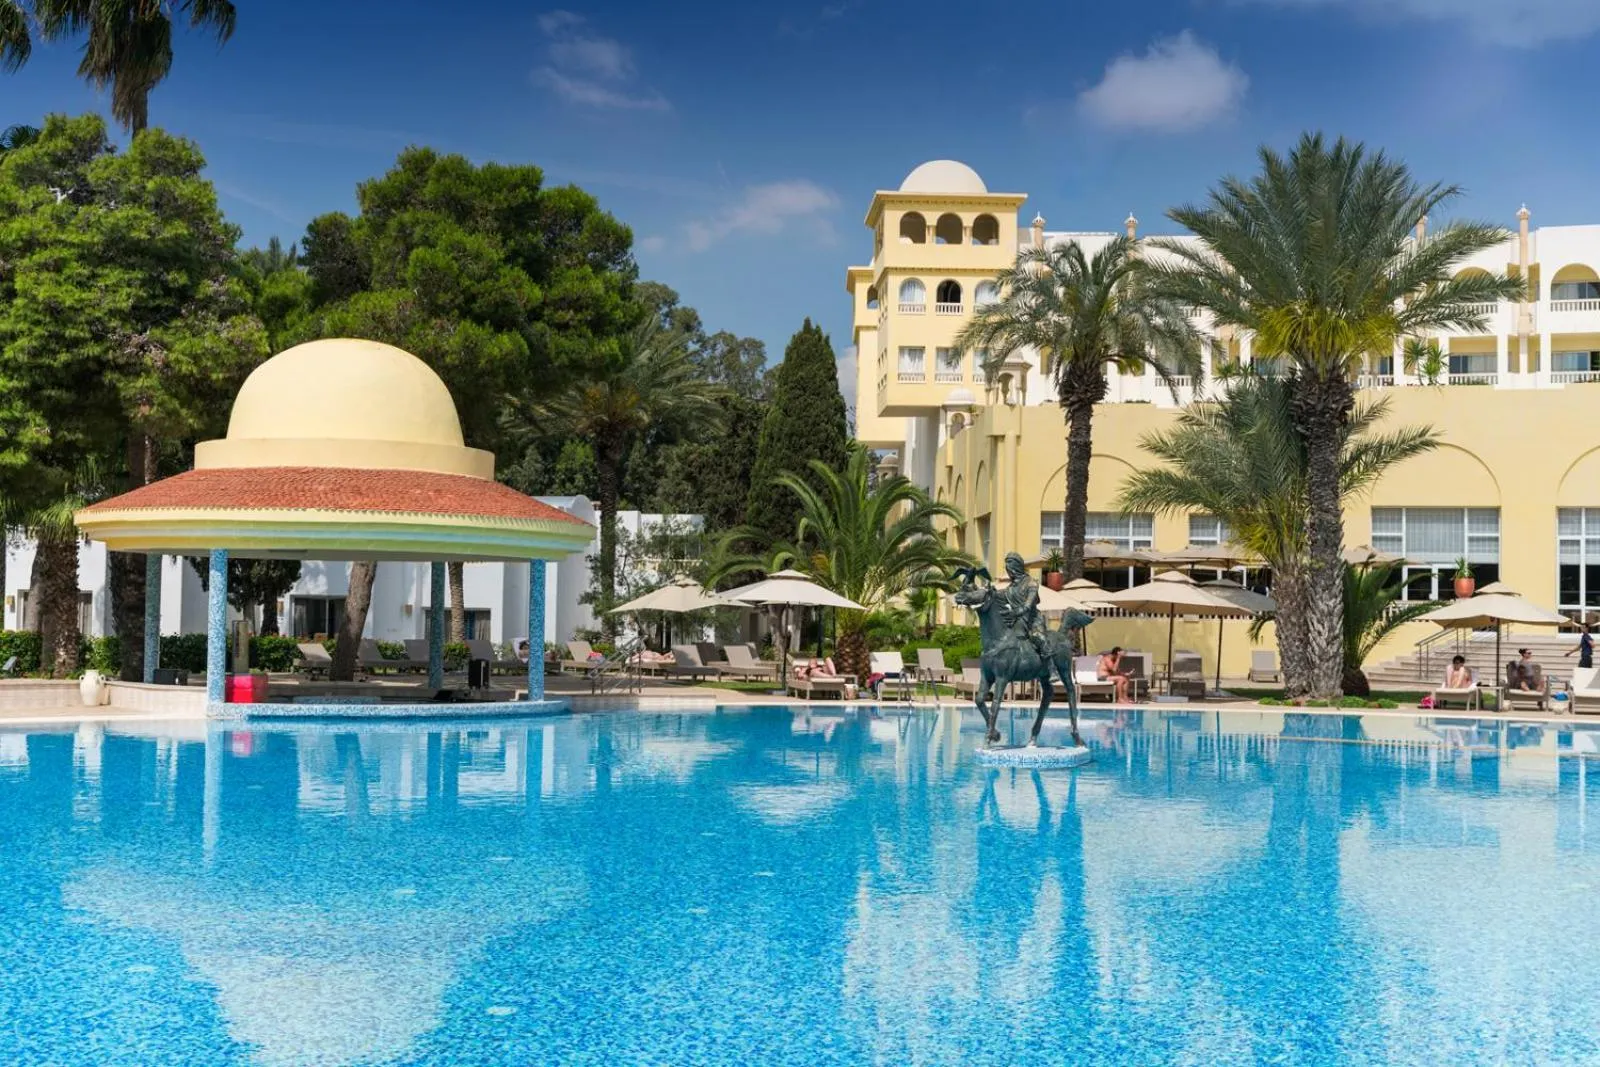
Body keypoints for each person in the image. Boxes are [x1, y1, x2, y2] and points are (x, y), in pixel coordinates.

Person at [998, 551, 1050, 664]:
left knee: (1039, 639)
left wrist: (1015, 612)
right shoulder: (1010, 588)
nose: (1009, 573)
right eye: (1007, 570)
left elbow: (1027, 605)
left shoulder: (1031, 583)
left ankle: (1051, 667)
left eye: (1010, 569)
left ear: (1016, 568)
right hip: (1015, 621)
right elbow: (997, 597)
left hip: (1032, 620)